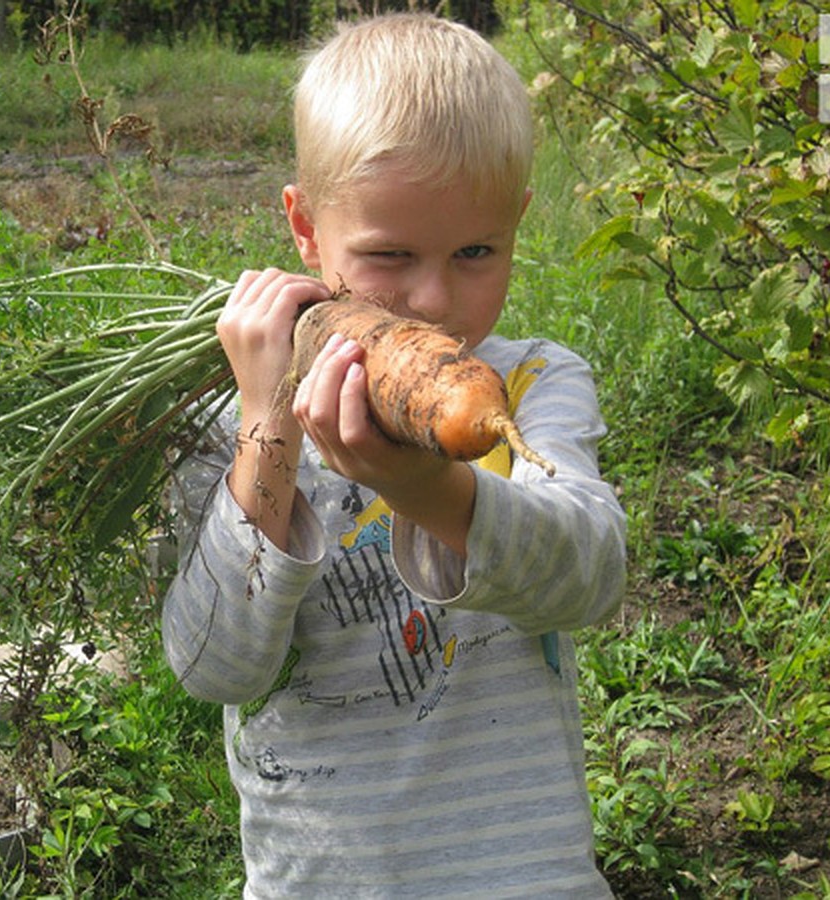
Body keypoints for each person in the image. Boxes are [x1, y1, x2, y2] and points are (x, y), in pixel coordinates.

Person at [162, 12, 626, 898]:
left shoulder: (529, 387)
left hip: (525, 878)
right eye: (390, 255)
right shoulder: (236, 415)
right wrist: (269, 424)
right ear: (305, 227)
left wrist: (429, 490)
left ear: (519, 224)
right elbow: (215, 665)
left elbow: (590, 578)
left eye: (476, 252)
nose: (432, 299)